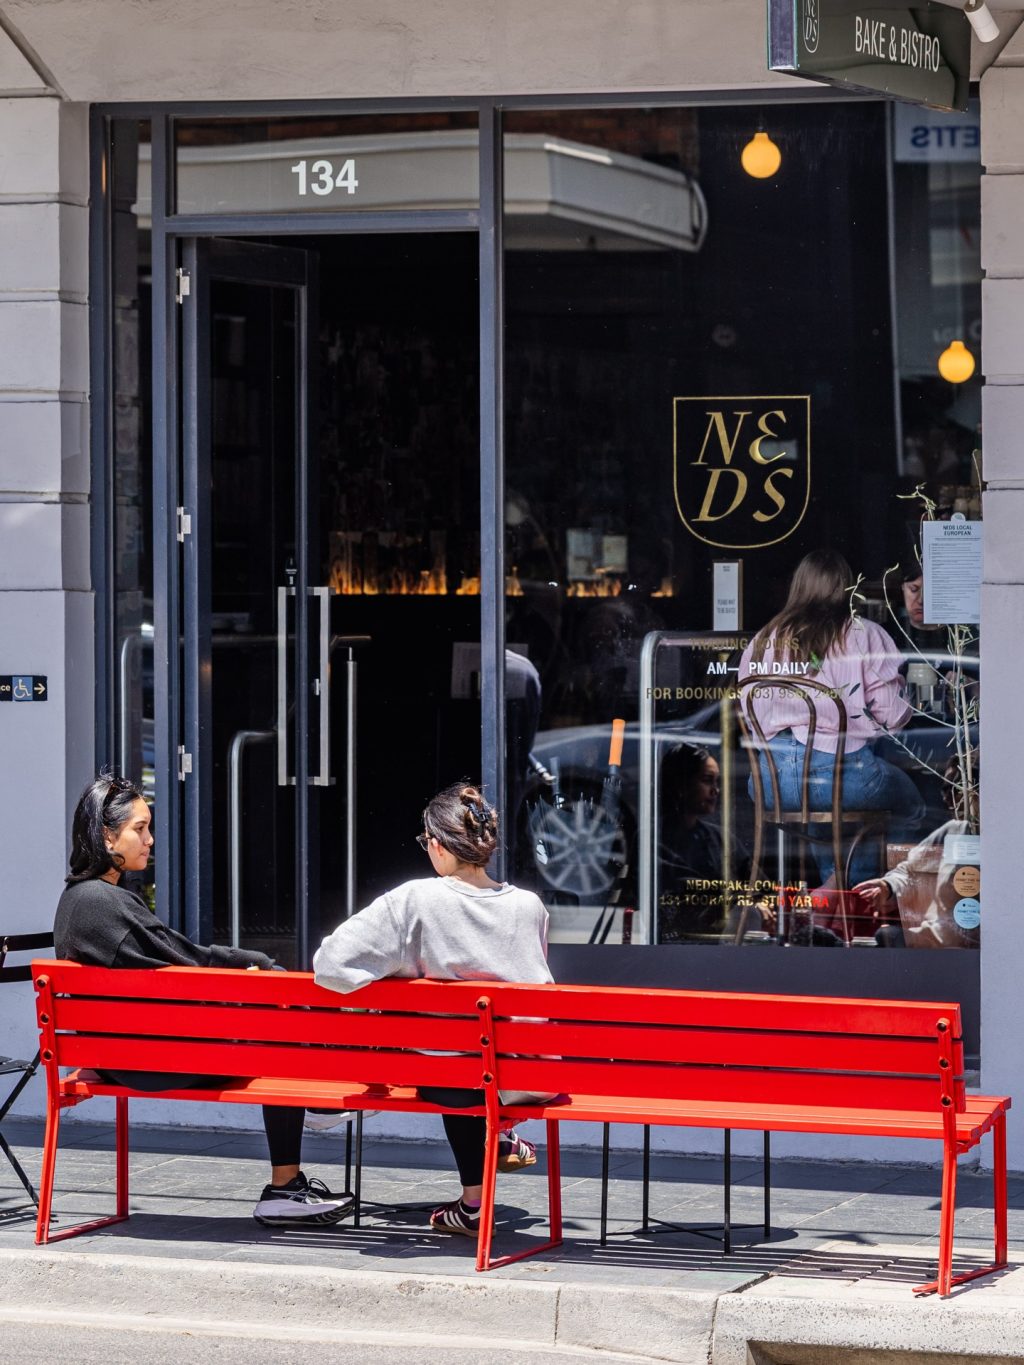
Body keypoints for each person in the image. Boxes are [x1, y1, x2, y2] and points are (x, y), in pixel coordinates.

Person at [54, 773, 352, 1228]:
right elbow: (188, 961)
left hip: (120, 1053)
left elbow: (168, 963)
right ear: (106, 835)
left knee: (269, 1023)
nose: (150, 840)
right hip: (148, 1062)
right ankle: (294, 1164)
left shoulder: (77, 900)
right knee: (277, 1033)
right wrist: (257, 965)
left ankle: (307, 1130)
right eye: (139, 828)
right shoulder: (104, 903)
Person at [313, 782, 553, 1239]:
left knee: (454, 1060)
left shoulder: (415, 900)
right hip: (528, 1078)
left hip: (454, 1079)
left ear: (439, 846)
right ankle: (497, 1141)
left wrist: (400, 970)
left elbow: (330, 964)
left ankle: (475, 1201)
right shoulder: (531, 907)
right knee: (478, 1053)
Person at [738, 549, 925, 888]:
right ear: (847, 588)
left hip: (770, 783)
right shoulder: (863, 634)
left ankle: (835, 889)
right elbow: (894, 716)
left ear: (798, 586)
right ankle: (874, 892)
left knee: (830, 810)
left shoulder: (764, 639)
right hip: (842, 780)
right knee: (910, 803)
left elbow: (752, 715)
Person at [854, 754, 980, 949]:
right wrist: (888, 887)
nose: (947, 798)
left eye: (954, 788)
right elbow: (910, 870)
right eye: (944, 789)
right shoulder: (955, 831)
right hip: (936, 942)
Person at [658, 743, 753, 940]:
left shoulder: (720, 838)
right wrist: (741, 900)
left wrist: (756, 901)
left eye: (716, 782)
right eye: (707, 780)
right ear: (681, 784)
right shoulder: (654, 839)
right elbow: (689, 891)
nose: (715, 790)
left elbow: (759, 884)